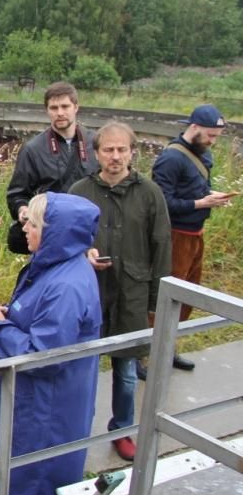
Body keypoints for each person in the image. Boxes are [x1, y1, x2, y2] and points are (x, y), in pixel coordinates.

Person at [0, 193, 101, 495]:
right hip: (28, 399)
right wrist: (7, 314)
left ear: (54, 231)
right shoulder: (53, 267)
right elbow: (36, 320)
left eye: (33, 223)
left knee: (31, 477)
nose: (24, 227)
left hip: (46, 409)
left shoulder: (66, 286)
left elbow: (42, 358)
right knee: (9, 465)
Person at [70, 122, 171, 462]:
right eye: (108, 150)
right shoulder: (80, 191)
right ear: (96, 154)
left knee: (127, 371)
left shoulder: (149, 193)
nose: (115, 156)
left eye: (121, 149)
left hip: (133, 292)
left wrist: (158, 301)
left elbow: (161, 245)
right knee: (82, 368)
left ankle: (122, 429)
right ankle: (74, 431)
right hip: (90, 292)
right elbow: (63, 240)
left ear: (132, 152)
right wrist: (82, 255)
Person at [151, 104, 233, 371]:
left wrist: (213, 197)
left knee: (187, 296)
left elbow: (197, 190)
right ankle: (150, 352)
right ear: (194, 128)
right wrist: (200, 203)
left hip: (196, 234)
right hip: (176, 236)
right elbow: (162, 203)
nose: (212, 141)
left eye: (216, 137)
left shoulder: (202, 155)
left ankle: (168, 347)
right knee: (167, 296)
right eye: (210, 135)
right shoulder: (171, 159)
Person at [5, 82, 98, 251]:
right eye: (54, 108)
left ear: (76, 107)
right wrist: (22, 210)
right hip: (50, 235)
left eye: (65, 106)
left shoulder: (97, 143)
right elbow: (17, 194)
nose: (60, 113)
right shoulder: (33, 149)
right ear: (47, 110)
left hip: (90, 231)